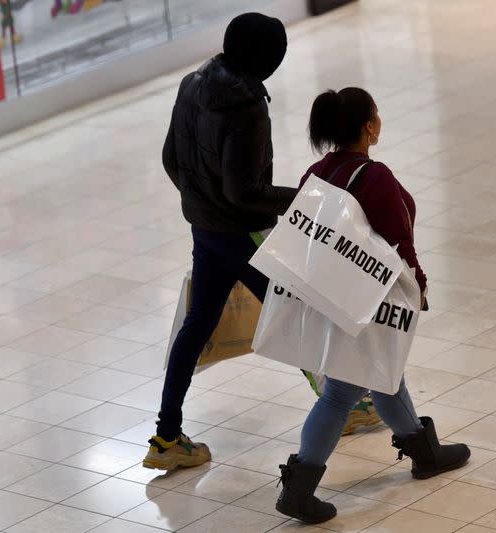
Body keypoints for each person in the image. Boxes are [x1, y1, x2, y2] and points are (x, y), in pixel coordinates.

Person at [144, 14, 378, 472]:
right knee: (296, 311)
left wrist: (201, 203)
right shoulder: (248, 109)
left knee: (197, 325)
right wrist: (306, 199)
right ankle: (345, 406)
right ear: (268, 59)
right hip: (242, 232)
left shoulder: (192, 84)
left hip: (206, 228)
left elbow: (173, 159)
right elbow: (244, 192)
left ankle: (166, 436)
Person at [274, 88, 471, 524]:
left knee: (383, 370)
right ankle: (300, 487)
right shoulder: (374, 176)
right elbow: (400, 242)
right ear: (368, 126)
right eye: (376, 114)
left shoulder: (317, 172)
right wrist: (418, 285)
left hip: (331, 292)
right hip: (369, 298)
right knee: (343, 390)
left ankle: (423, 449)